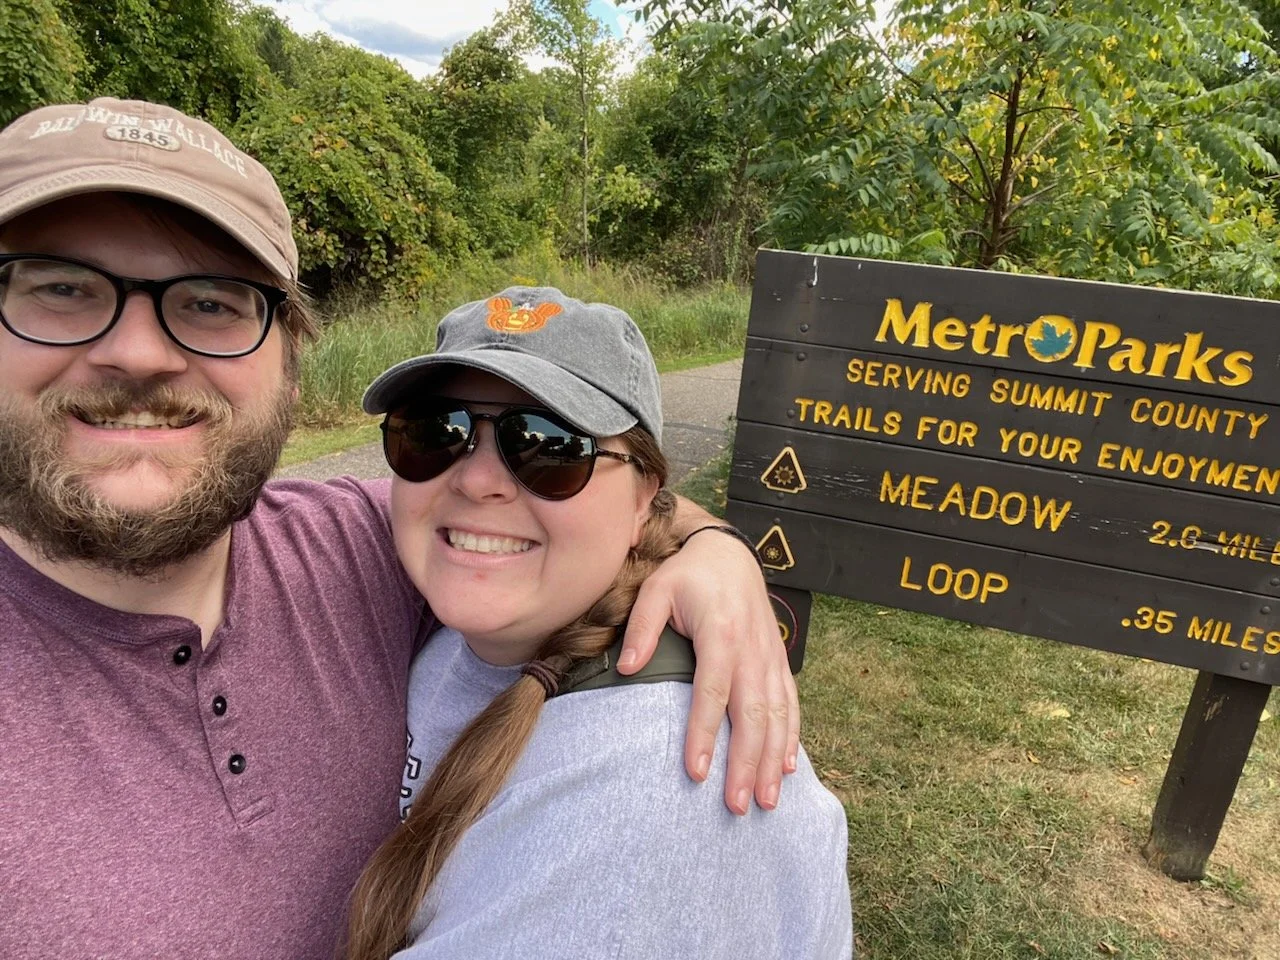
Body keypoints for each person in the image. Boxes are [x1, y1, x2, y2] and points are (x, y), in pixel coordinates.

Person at [0, 98, 799, 960]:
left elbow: (604, 515)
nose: (141, 352)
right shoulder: (403, 547)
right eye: (62, 289)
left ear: (291, 365)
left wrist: (716, 553)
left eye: (210, 303)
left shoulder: (349, 553)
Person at [344, 288, 853, 958]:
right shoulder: (458, 618)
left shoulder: (651, 803)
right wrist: (719, 543)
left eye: (549, 446)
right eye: (436, 433)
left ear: (646, 498)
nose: (476, 481)